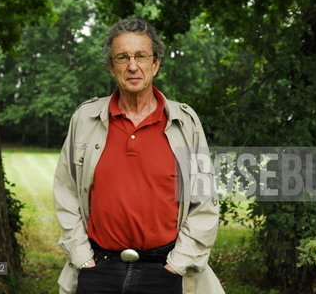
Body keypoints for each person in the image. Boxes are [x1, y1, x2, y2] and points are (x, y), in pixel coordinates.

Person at [53, 18, 225, 294]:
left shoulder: (185, 122)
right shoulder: (85, 118)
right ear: (111, 67)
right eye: (123, 57)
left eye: (141, 56)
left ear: (155, 64)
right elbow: (66, 190)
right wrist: (82, 257)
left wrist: (177, 264)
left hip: (165, 270)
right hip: (98, 268)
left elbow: (205, 201)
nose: (133, 66)